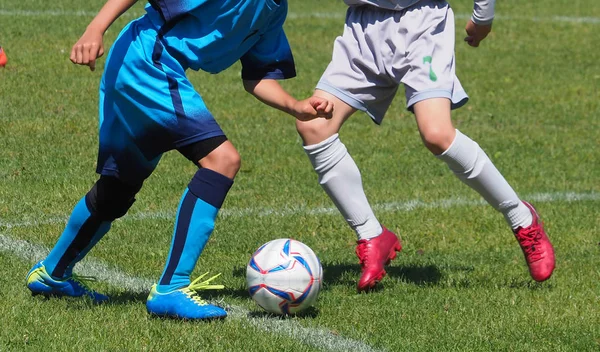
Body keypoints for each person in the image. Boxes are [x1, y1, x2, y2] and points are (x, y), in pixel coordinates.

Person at [25, 0, 333, 320]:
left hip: (142, 63)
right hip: (149, 60)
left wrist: (295, 106)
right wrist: (95, 28)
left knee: (119, 187)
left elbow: (258, 76)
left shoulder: (272, 8)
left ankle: (51, 274)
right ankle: (172, 287)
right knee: (222, 160)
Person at [295, 0, 555, 292]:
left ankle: (522, 219)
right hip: (363, 29)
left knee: (437, 134)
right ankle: (371, 235)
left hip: (421, 22)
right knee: (314, 126)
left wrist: (483, 16)